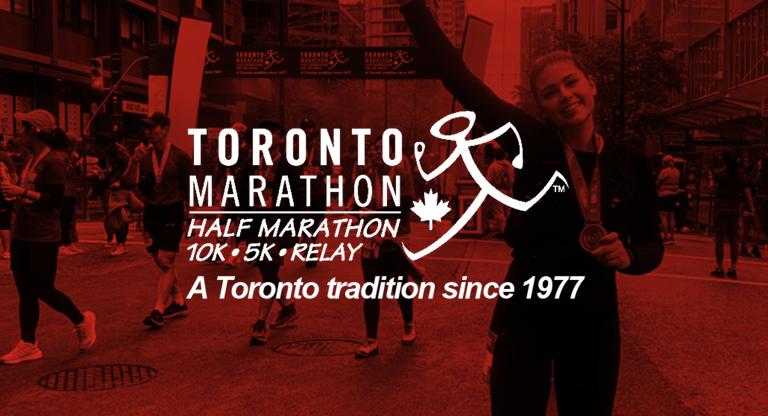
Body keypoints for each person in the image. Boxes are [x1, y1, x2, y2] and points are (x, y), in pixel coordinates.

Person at [400, 1, 663, 414]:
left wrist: (630, 258)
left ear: (592, 84)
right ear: (541, 107)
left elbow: (652, 244)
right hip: (525, 310)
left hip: (593, 317)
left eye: (571, 82)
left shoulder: (629, 162)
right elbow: (458, 78)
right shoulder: (532, 142)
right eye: (550, 93)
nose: (565, 96)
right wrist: (412, 7)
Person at [0, 110, 96, 365]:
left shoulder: (53, 161)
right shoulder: (31, 158)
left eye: (23, 127)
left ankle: (81, 320)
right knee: (25, 291)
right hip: (22, 232)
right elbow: (28, 192)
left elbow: (55, 201)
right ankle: (28, 343)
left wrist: (22, 192)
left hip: (44, 235)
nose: (19, 132)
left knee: (43, 288)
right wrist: (13, 195)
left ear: (36, 131)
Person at [350, 136, 422, 358]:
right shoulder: (366, 177)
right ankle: (371, 340)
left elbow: (404, 207)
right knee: (370, 289)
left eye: (382, 149)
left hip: (396, 238)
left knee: (399, 286)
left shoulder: (402, 176)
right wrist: (361, 216)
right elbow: (356, 207)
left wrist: (373, 215)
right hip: (371, 238)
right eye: (375, 149)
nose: (377, 153)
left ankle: (408, 323)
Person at [125, 112, 192, 329]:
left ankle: (158, 310)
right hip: (151, 212)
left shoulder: (180, 157)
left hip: (173, 210)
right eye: (146, 128)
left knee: (165, 261)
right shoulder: (143, 156)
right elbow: (127, 183)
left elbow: (189, 187)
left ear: (165, 130)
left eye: (152, 128)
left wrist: (189, 214)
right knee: (160, 260)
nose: (148, 132)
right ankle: (179, 301)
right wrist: (134, 161)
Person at [248, 121, 300, 345]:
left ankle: (261, 322)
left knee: (269, 270)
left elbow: (298, 198)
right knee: (265, 268)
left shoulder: (289, 164)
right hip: (256, 221)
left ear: (280, 137)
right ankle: (288, 308)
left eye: (271, 133)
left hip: (278, 223)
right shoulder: (253, 162)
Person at [710, 153, 754, 279]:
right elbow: (747, 192)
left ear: (724, 161)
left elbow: (713, 190)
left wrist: (711, 181)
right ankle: (733, 267)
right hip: (734, 207)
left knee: (719, 239)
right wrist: (752, 207)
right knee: (733, 239)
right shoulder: (741, 175)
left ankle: (719, 267)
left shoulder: (719, 174)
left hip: (720, 207)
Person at [93, 133, 131, 249]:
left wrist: (121, 181)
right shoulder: (110, 152)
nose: (100, 150)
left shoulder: (120, 152)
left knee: (119, 214)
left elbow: (129, 167)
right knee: (111, 213)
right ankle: (113, 238)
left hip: (119, 186)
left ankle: (120, 242)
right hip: (111, 183)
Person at [58, 132, 84, 256]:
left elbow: (78, 173)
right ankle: (61, 243)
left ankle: (68, 242)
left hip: (71, 190)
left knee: (68, 219)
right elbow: (64, 173)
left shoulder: (71, 156)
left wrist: (76, 164)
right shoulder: (62, 156)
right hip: (64, 191)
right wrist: (73, 164)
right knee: (63, 219)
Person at [485, 146, 515, 236]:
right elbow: (513, 178)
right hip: (509, 191)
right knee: (508, 212)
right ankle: (509, 230)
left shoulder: (493, 166)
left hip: (498, 190)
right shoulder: (510, 166)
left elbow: (488, 180)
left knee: (498, 212)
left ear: (495, 156)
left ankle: (502, 231)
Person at [739, 153, 761, 258]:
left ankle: (753, 248)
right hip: (747, 205)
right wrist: (752, 208)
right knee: (748, 227)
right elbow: (747, 194)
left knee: (754, 227)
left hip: (749, 204)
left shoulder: (751, 178)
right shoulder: (747, 179)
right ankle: (745, 248)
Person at [656, 154, 681, 244]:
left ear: (665, 163)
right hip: (674, 195)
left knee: (663, 216)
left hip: (664, 195)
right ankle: (672, 236)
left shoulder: (664, 172)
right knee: (672, 216)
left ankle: (666, 236)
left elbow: (658, 183)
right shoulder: (677, 172)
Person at [0, 146, 18, 259]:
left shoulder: (2, 157)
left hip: (3, 193)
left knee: (3, 223)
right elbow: (14, 175)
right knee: (4, 222)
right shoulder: (4, 156)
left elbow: (13, 175)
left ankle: (7, 250)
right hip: (5, 193)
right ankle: (7, 250)